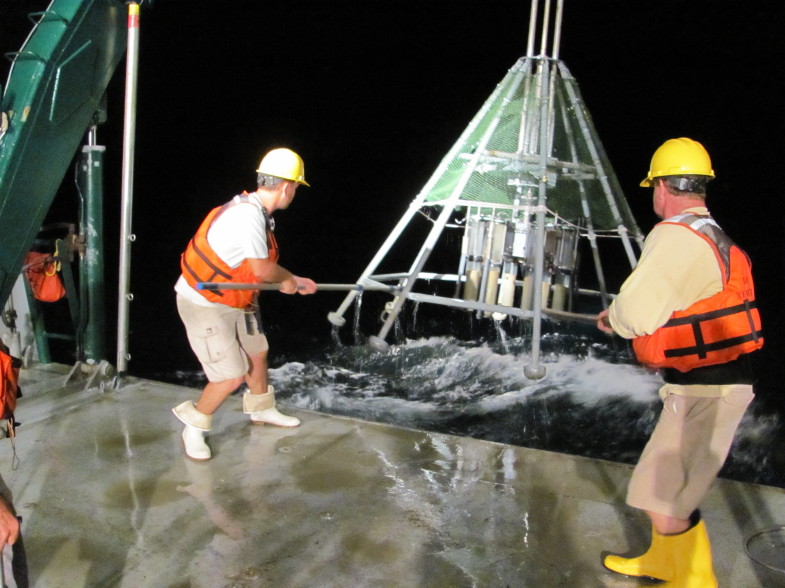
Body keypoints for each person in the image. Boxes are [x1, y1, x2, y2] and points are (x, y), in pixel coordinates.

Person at [596, 137, 763, 586]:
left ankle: (694, 579)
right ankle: (665, 561)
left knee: (662, 495)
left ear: (663, 187)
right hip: (717, 385)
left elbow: (636, 312)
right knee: (667, 490)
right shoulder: (713, 235)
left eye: (653, 185)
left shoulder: (673, 235)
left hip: (706, 389)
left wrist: (615, 318)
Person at [172, 147, 317, 461]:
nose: (294, 193)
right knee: (230, 376)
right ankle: (194, 426)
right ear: (287, 187)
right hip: (204, 302)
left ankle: (262, 410)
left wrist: (293, 281)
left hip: (237, 297)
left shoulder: (258, 211)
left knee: (257, 351)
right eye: (295, 188)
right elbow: (263, 270)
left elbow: (257, 272)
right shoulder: (249, 216)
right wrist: (288, 280)